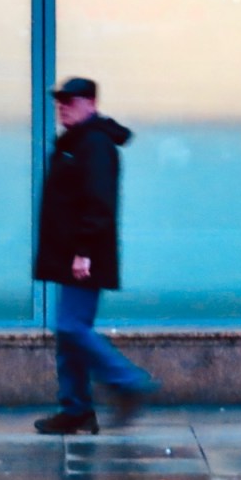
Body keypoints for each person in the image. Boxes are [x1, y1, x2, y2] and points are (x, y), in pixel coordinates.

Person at [33, 77, 156, 435]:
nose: (62, 107)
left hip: (83, 257)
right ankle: (75, 410)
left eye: (70, 101)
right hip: (69, 254)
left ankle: (129, 383)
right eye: (59, 102)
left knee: (71, 327)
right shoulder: (75, 142)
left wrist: (84, 252)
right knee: (68, 333)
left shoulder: (95, 144)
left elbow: (99, 203)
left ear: (90, 103)